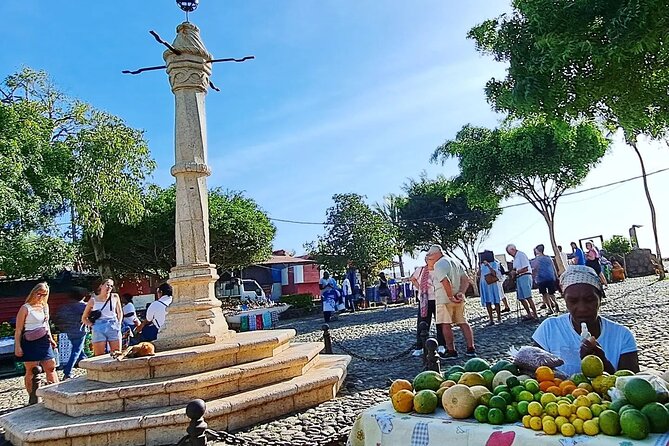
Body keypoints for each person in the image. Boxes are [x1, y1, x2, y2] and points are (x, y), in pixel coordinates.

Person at [533, 265, 639, 376]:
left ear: (600, 297)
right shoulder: (549, 329)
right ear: (564, 300)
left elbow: (631, 385)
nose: (582, 308)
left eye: (589, 300)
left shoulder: (622, 336)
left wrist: (602, 363)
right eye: (573, 301)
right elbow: (533, 375)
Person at [426, 244, 476, 359]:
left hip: (444, 298)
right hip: (458, 297)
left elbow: (445, 281)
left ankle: (451, 350)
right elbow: (466, 279)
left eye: (431, 255)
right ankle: (470, 348)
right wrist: (461, 292)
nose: (430, 258)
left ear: (436, 254)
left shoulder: (439, 264)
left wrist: (450, 296)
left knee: (446, 324)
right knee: (463, 322)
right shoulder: (455, 262)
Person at [14, 282, 59, 395]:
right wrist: (18, 346)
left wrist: (51, 338)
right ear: (34, 293)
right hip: (30, 340)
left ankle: (55, 393)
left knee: (50, 366)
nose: (41, 297)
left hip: (43, 338)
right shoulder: (25, 308)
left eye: (44, 295)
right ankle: (32, 396)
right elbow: (19, 329)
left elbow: (46, 324)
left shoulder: (44, 307)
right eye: (39, 294)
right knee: (31, 369)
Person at [410, 255, 446, 357]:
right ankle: (420, 346)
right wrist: (420, 289)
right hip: (425, 300)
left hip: (438, 298)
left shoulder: (438, 270)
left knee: (440, 322)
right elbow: (412, 278)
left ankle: (442, 345)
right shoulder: (421, 270)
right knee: (423, 322)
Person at [52, 287, 88, 379]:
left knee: (80, 351)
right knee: (76, 351)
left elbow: (58, 318)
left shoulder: (65, 307)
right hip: (80, 331)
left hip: (69, 331)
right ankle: (68, 372)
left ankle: (87, 365)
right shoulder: (84, 306)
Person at [81, 278, 123, 356]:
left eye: (111, 286)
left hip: (113, 324)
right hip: (99, 325)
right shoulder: (93, 300)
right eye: (107, 284)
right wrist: (92, 326)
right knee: (99, 355)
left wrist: (119, 323)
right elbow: (84, 317)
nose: (109, 287)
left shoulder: (115, 297)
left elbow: (119, 312)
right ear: (101, 286)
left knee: (116, 353)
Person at [506, 244, 538, 321]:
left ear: (513, 250)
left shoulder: (521, 255)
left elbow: (526, 268)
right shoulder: (515, 258)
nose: (510, 255)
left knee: (528, 296)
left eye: (509, 253)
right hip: (519, 277)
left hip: (525, 276)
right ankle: (529, 314)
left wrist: (516, 272)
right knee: (521, 298)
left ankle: (535, 314)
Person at [534, 244, 560, 315]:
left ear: (537, 250)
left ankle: (550, 308)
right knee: (552, 293)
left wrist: (534, 277)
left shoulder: (537, 259)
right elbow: (553, 267)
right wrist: (556, 275)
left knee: (544, 294)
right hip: (550, 277)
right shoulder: (548, 257)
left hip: (541, 278)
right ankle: (555, 303)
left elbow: (535, 268)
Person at [479, 251, 502, 326]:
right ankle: (491, 319)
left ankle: (499, 318)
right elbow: (479, 274)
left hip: (492, 284)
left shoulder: (494, 263)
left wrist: (488, 265)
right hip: (484, 284)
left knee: (496, 300)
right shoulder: (482, 265)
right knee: (487, 301)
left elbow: (495, 273)